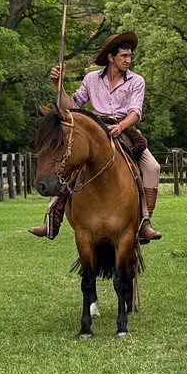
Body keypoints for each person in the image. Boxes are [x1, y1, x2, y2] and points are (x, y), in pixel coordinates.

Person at [30, 31, 163, 243]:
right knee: (70, 162)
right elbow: (73, 106)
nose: (128, 60)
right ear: (111, 57)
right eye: (124, 56)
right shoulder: (92, 79)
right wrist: (58, 86)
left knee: (153, 167)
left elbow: (136, 112)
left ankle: (144, 223)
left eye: (130, 56)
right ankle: (52, 219)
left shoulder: (136, 81)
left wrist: (120, 126)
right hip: (94, 129)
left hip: (124, 129)